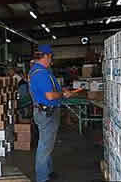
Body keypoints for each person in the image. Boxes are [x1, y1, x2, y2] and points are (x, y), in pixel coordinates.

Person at [29, 45, 73, 182]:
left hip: (45, 111)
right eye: (50, 57)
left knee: (47, 144)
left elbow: (50, 89)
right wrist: (63, 94)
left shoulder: (40, 71)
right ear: (46, 56)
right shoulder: (41, 73)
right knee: (44, 146)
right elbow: (49, 96)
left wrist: (61, 90)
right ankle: (42, 178)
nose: (51, 60)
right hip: (47, 113)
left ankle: (47, 172)